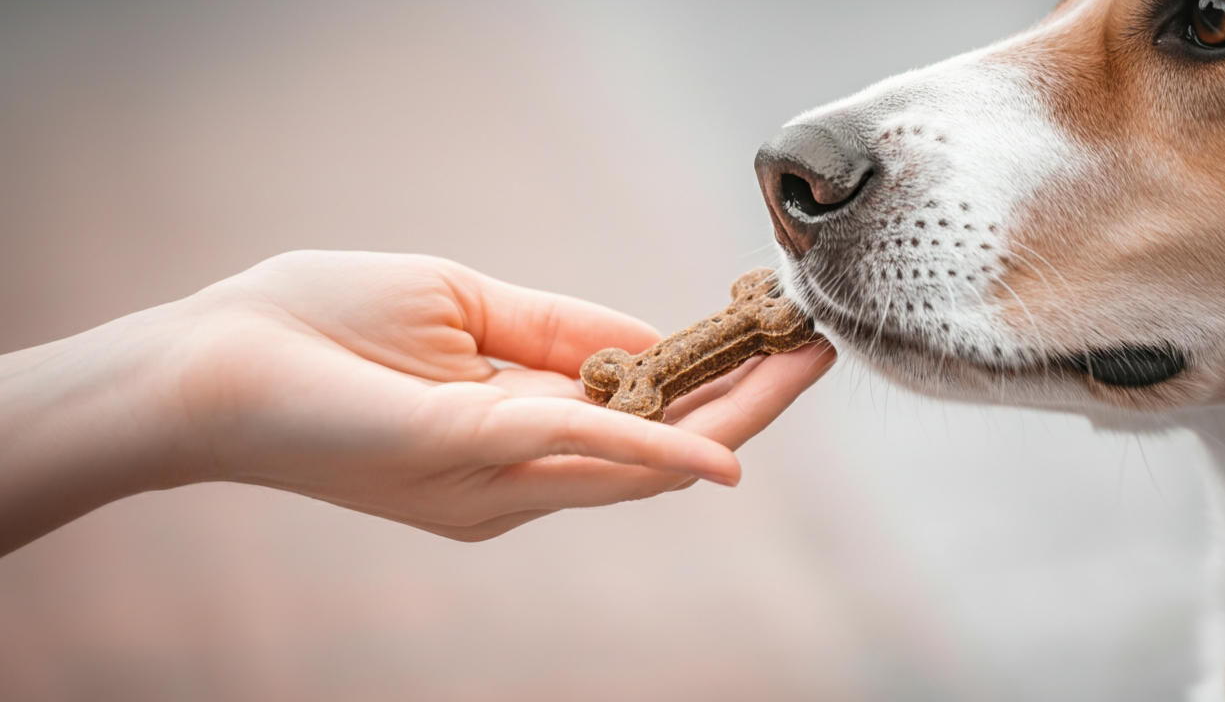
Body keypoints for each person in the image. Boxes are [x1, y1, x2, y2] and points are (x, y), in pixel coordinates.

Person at [0, 250, 835, 557]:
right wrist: (195, 372)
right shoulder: (655, 368)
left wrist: (193, 364)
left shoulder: (749, 321)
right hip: (638, 379)